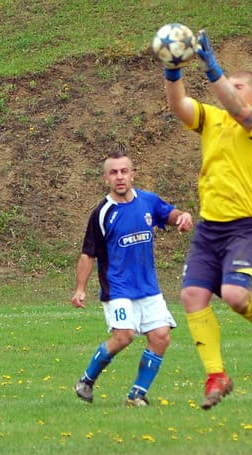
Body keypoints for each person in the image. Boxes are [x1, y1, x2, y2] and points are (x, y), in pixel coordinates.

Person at [161, 29, 252, 410]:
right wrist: (173, 69)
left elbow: (238, 109)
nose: (230, 87)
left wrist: (213, 68)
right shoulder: (211, 118)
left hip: (247, 225)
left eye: (239, 84)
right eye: (229, 83)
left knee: (233, 296)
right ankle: (216, 375)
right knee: (192, 296)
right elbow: (179, 106)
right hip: (210, 227)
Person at [71, 150, 193, 406]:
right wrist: (80, 289)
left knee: (161, 336)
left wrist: (182, 216)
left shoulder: (147, 201)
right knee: (124, 336)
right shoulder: (103, 213)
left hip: (148, 287)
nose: (119, 177)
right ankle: (86, 381)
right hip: (117, 287)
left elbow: (168, 213)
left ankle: (136, 395)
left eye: (124, 171)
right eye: (113, 172)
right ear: (106, 178)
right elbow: (88, 254)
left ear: (132, 174)